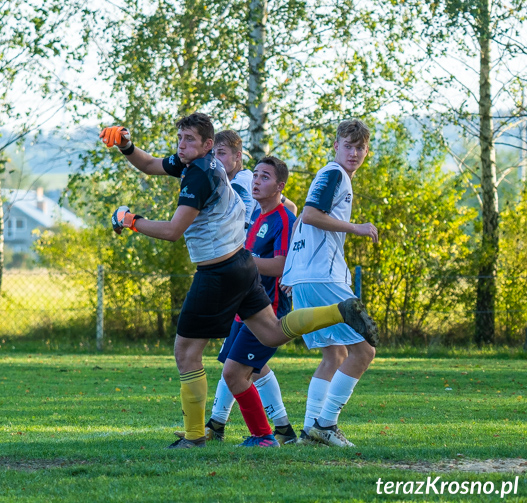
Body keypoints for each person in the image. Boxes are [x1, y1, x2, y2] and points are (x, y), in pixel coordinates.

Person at [100, 114, 378, 448]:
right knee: (272, 333)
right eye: (179, 138)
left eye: (189, 139)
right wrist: (126, 145)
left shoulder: (200, 175)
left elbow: (174, 231)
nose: (181, 145)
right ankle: (337, 311)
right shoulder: (200, 165)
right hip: (243, 265)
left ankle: (194, 438)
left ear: (207, 146)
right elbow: (149, 165)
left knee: (186, 352)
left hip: (217, 273)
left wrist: (133, 221)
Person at [281, 120, 378, 447]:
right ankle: (326, 424)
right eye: (347, 145)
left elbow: (299, 224)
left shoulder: (331, 175)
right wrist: (357, 228)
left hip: (307, 277)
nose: (353, 153)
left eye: (360, 147)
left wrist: (290, 274)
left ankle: (310, 432)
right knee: (364, 350)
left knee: (334, 355)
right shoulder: (335, 174)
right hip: (324, 276)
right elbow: (308, 215)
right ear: (335, 146)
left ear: (366, 151)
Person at [207, 156, 299, 447]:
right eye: (256, 175)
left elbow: (281, 265)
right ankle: (282, 430)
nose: (257, 181)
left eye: (265, 177)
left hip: (267, 311)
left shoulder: (284, 219)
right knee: (252, 369)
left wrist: (242, 260)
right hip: (244, 308)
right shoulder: (258, 216)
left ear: (279, 186)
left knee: (234, 373)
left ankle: (262, 436)